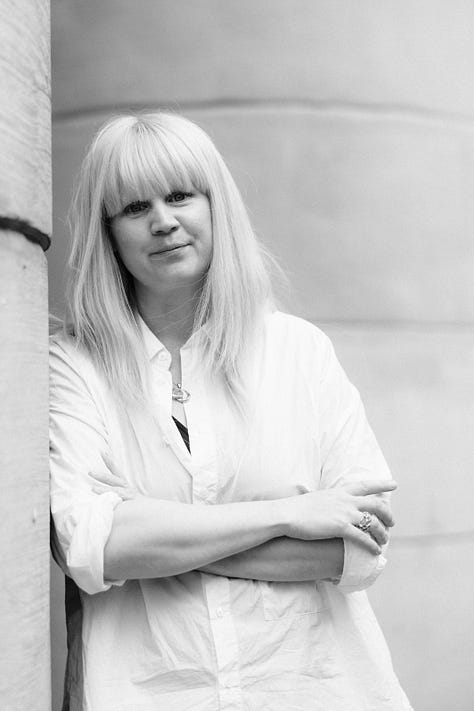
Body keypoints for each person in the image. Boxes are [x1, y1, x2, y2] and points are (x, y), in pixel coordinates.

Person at [50, 111, 412, 711]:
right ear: (107, 231)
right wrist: (291, 513)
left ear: (215, 205)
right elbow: (92, 547)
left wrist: (156, 540)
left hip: (316, 692)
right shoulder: (74, 366)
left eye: (180, 196)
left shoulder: (298, 351)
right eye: (135, 207)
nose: (163, 221)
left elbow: (357, 548)